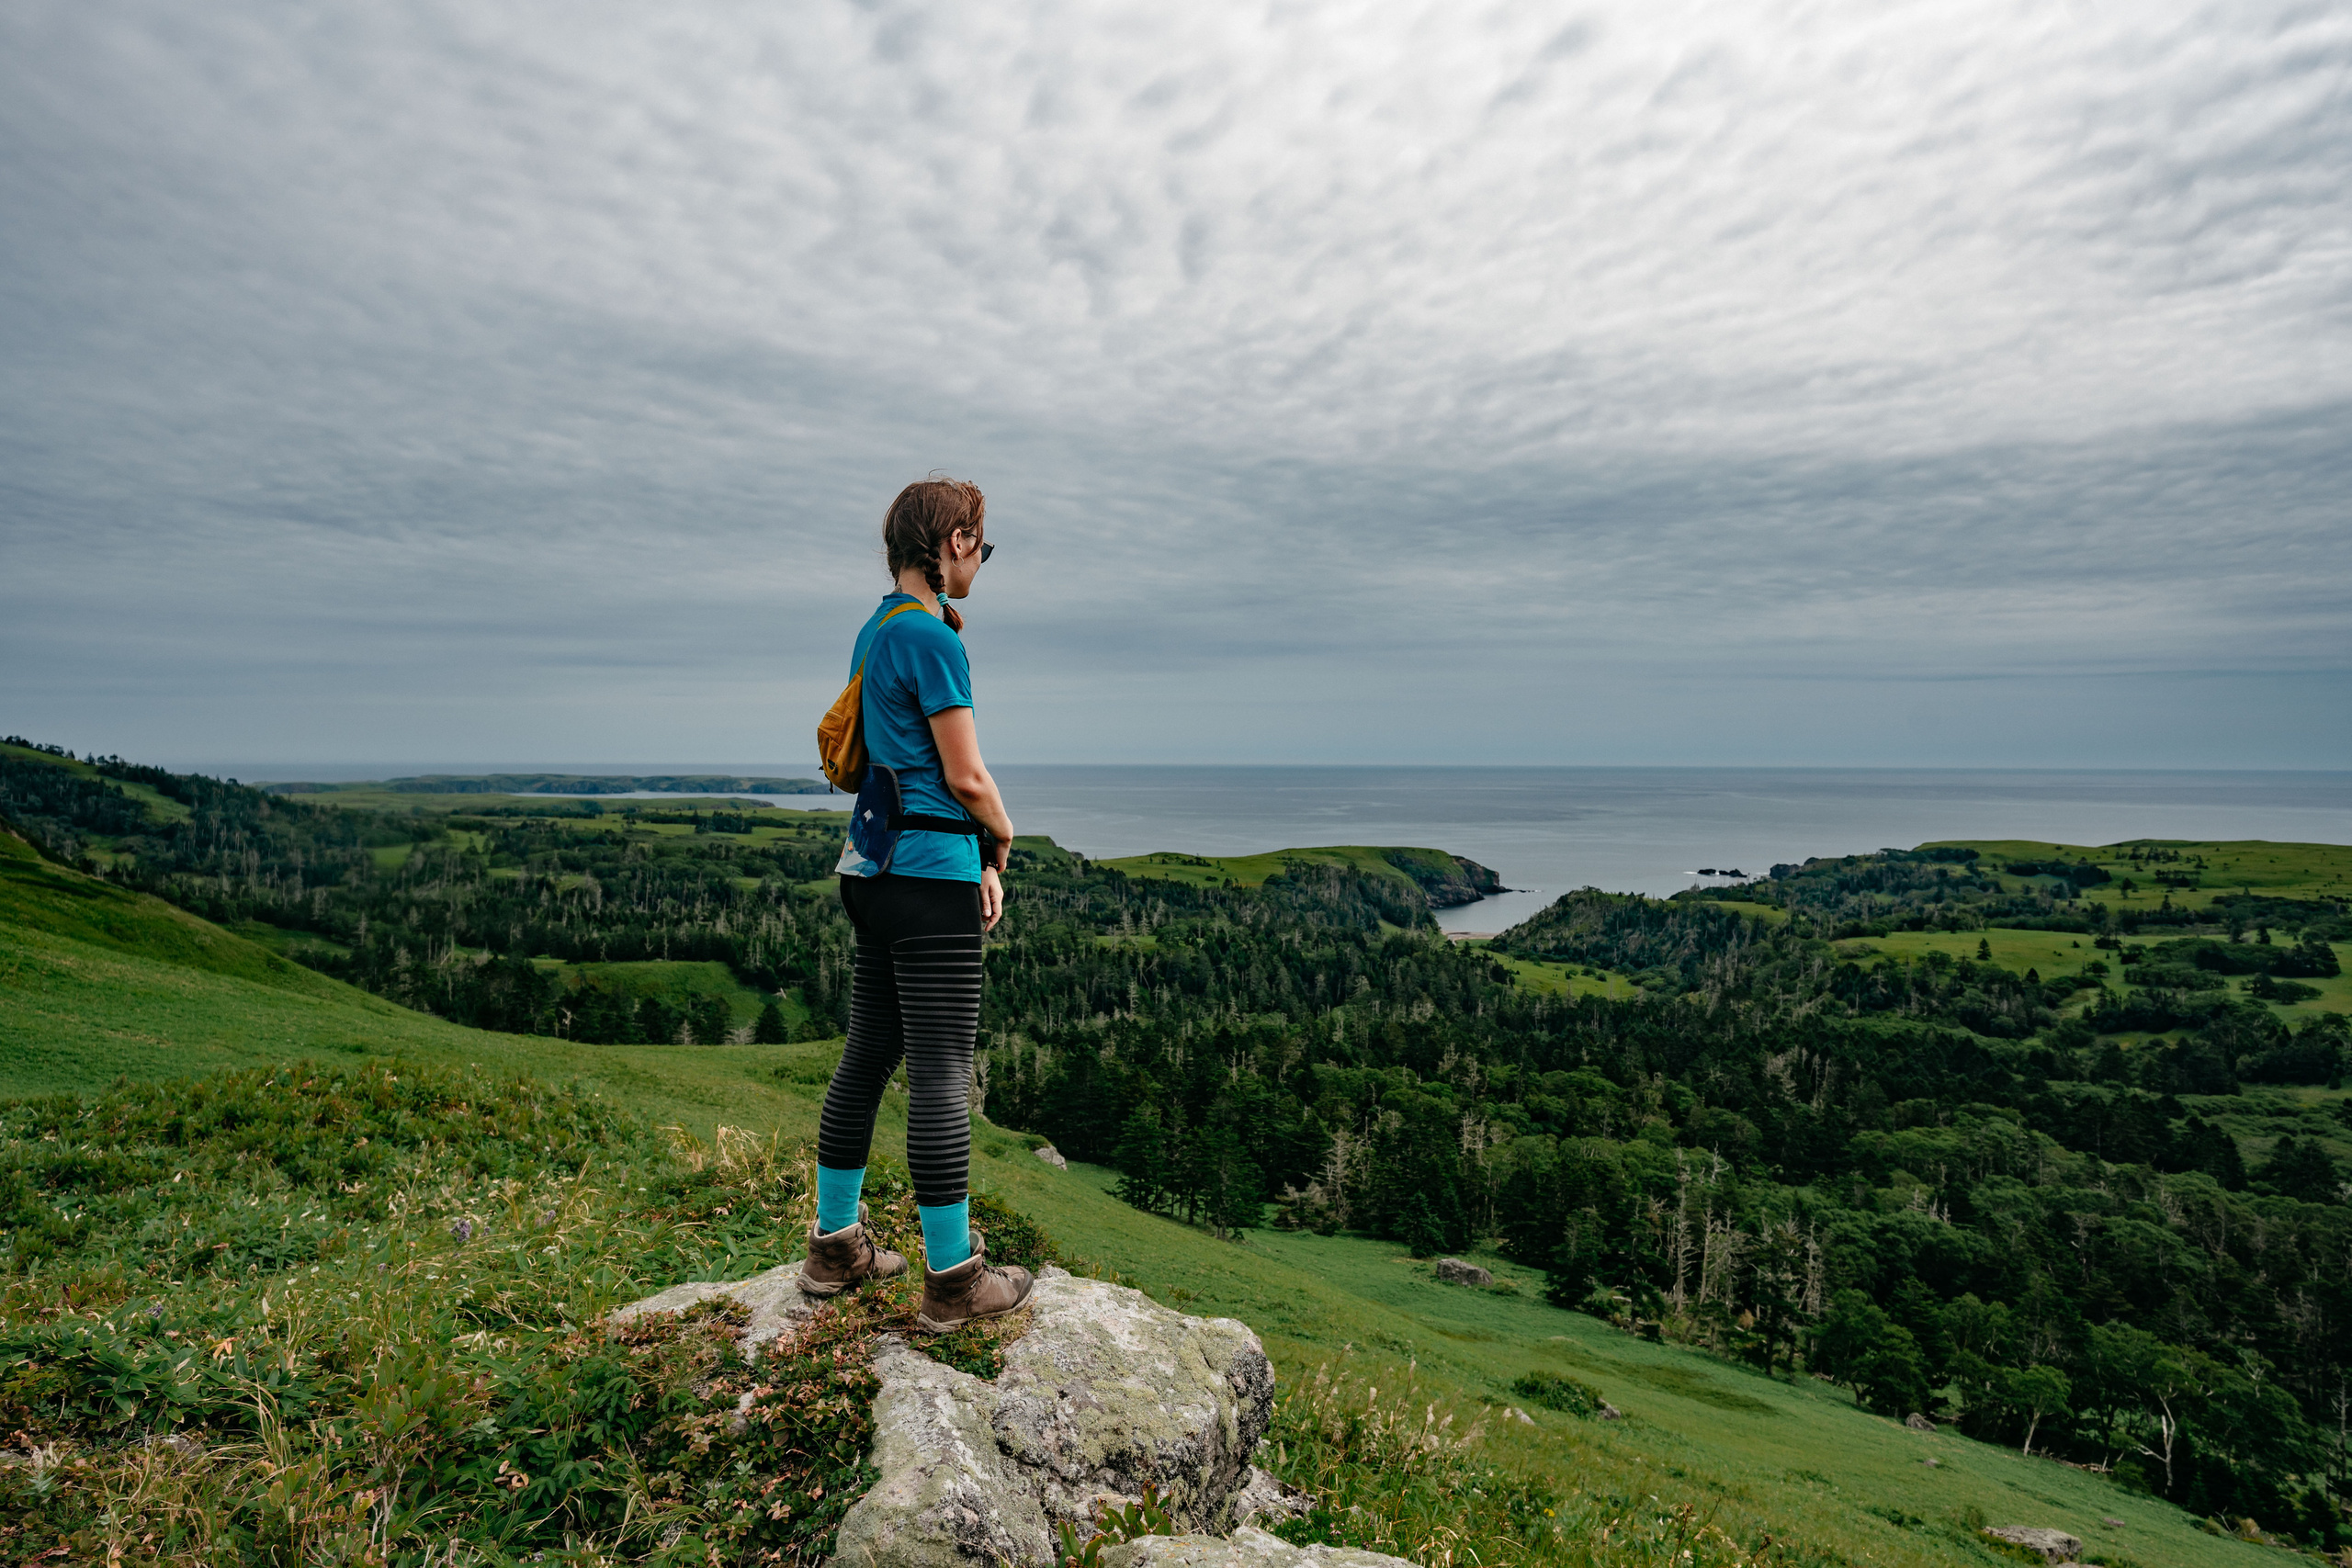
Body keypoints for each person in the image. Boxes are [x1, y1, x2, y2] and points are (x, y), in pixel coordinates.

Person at [797, 477, 1034, 1331]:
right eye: (982, 545)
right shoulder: (931, 637)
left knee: (867, 1056)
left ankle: (834, 1248)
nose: (981, 561)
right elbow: (964, 774)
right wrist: (1001, 835)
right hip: (929, 877)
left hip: (870, 870)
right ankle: (954, 1281)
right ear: (956, 541)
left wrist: (975, 855)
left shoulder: (876, 629)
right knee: (938, 1071)